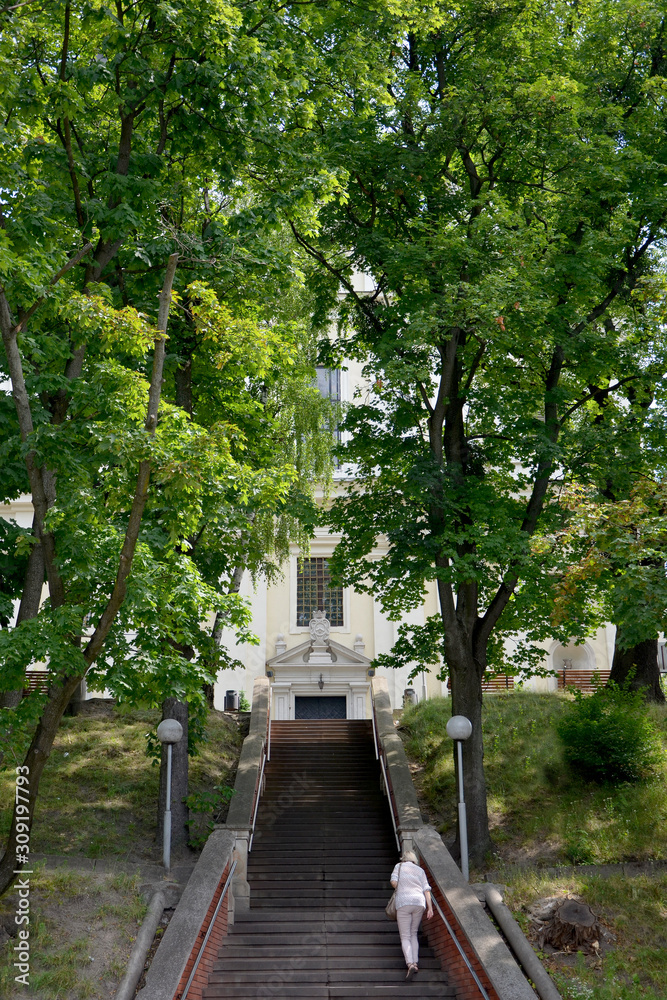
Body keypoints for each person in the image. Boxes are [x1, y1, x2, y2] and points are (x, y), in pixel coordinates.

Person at [390, 849, 433, 979]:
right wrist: (430, 908)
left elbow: (393, 883)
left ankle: (410, 964)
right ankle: (416, 962)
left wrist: (401, 884)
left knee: (405, 936)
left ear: (404, 858)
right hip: (419, 903)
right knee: (413, 933)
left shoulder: (399, 866)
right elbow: (426, 889)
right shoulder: (420, 871)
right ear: (414, 859)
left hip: (404, 902)